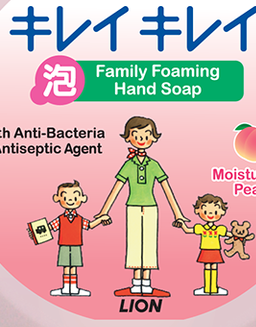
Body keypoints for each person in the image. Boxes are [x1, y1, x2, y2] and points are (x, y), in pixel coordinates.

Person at [96, 116, 188, 296]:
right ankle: (135, 283)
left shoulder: (153, 165)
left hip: (151, 208)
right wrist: (104, 212)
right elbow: (117, 188)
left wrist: (178, 214)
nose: (141, 139)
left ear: (153, 137)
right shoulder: (128, 164)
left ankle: (146, 283)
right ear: (128, 137)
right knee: (134, 244)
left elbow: (166, 188)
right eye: (136, 135)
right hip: (132, 207)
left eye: (146, 135)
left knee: (149, 244)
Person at [29, 179, 110, 296]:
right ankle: (66, 288)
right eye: (66, 198)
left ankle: (74, 288)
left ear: (82, 198)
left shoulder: (80, 219)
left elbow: (90, 225)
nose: (71, 200)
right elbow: (49, 227)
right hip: (64, 245)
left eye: (75, 197)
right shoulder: (60, 219)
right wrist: (34, 233)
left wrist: (101, 219)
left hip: (76, 245)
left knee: (74, 267)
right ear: (57, 198)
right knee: (66, 266)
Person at [174, 193, 229, 295]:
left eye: (215, 212)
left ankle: (214, 288)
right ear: (198, 211)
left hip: (215, 250)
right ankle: (207, 288)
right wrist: (182, 224)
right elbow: (188, 230)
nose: (210, 214)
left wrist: (238, 235)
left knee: (214, 267)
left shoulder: (220, 229)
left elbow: (228, 234)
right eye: (206, 211)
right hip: (205, 250)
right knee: (207, 266)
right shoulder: (201, 228)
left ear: (222, 211)